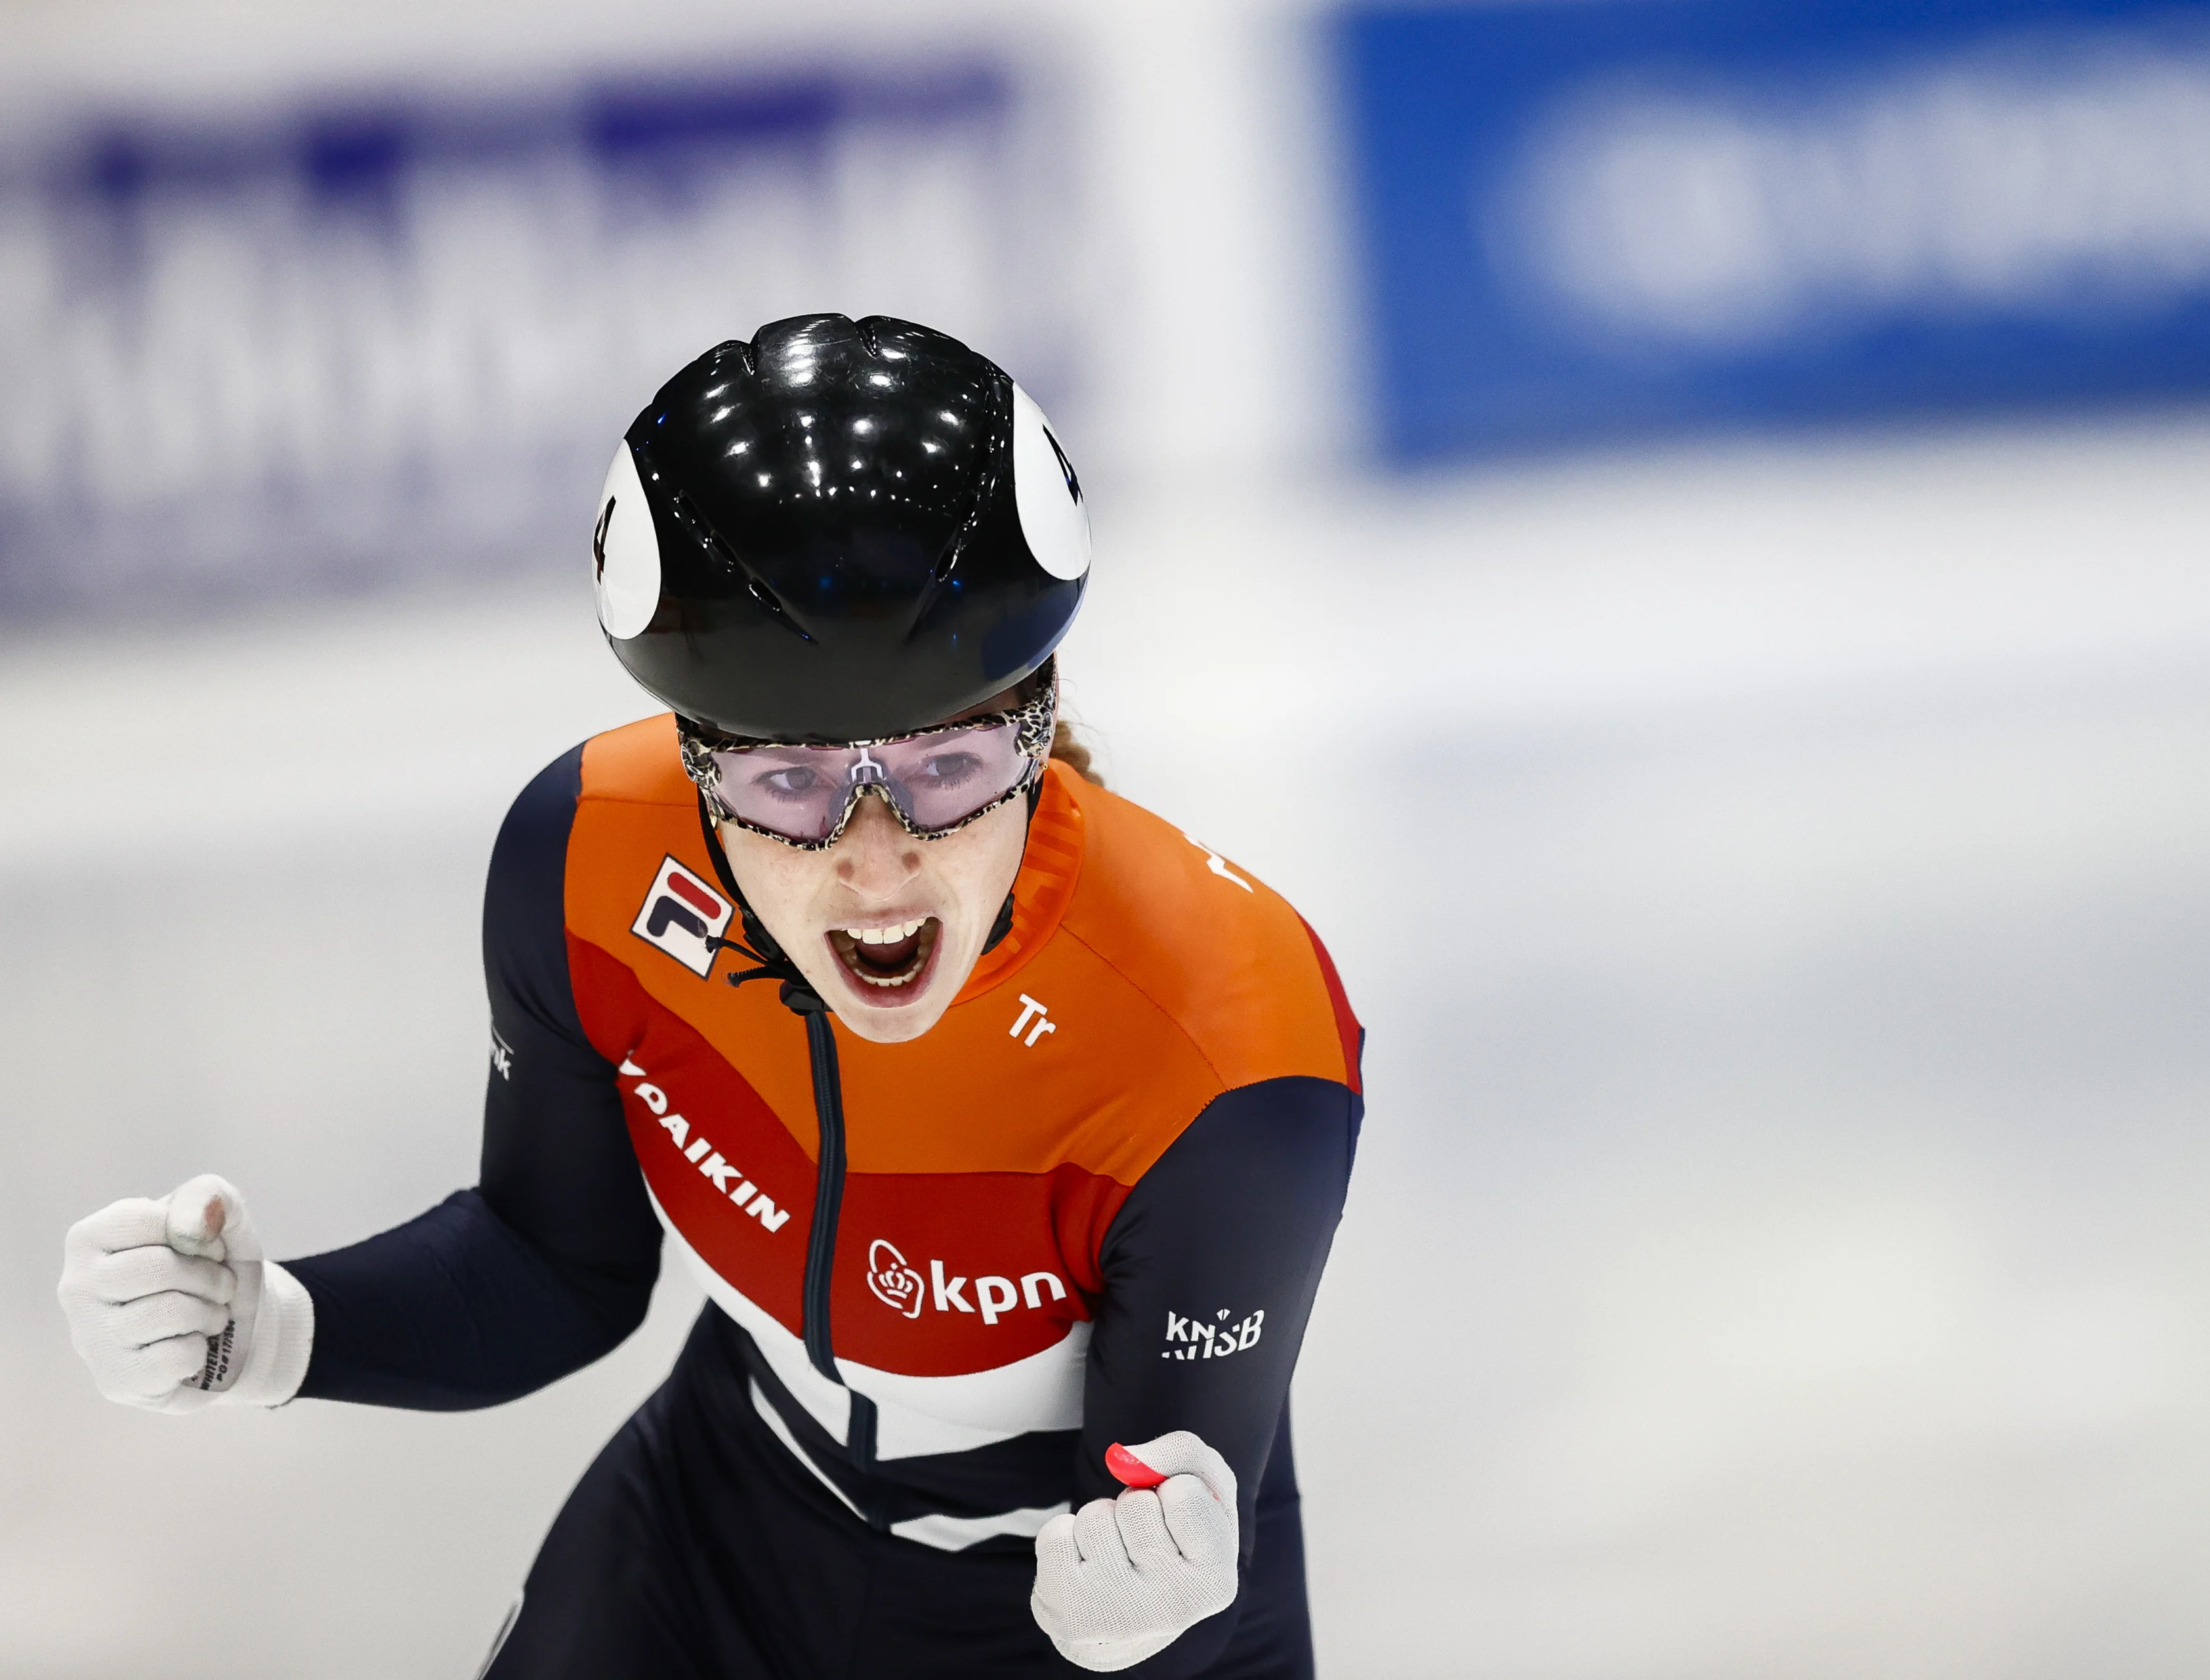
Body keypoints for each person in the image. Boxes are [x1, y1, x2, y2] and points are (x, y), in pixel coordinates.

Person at [56, 314, 1364, 1678]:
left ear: (1037, 730)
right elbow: (557, 1264)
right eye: (788, 782)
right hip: (715, 1529)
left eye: (948, 770)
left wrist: (1152, 1593)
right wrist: (273, 1329)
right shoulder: (588, 859)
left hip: (1073, 1608)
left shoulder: (1224, 1031)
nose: (877, 863)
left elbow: (1153, 1507)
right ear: (695, 768)